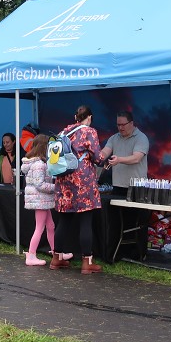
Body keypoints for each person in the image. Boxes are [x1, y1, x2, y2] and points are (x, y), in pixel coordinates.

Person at [52, 105, 106, 274]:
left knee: (64, 220)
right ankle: (87, 262)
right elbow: (98, 158)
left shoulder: (63, 132)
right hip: (83, 181)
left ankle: (56, 258)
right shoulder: (89, 132)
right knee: (85, 221)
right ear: (89, 117)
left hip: (63, 180)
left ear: (76, 117)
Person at [100, 110, 150, 260]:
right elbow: (105, 152)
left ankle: (138, 254)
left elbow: (136, 158)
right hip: (118, 187)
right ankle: (116, 253)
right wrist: (97, 156)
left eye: (123, 124)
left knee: (137, 222)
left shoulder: (141, 138)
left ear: (131, 123)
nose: (120, 128)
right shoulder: (114, 138)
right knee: (116, 222)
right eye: (118, 125)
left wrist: (119, 160)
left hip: (137, 188)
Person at [21, 133, 59, 266]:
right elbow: (40, 184)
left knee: (50, 226)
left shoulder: (37, 163)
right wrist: (57, 187)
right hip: (40, 200)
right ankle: (31, 255)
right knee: (40, 228)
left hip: (42, 200)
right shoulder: (39, 164)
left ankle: (56, 252)